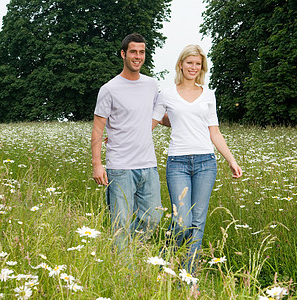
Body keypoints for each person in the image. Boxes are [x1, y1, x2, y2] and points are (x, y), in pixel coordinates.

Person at [152, 44, 243, 274]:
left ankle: (188, 276)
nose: (193, 67)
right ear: (181, 64)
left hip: (206, 163)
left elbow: (214, 131)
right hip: (177, 163)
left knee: (197, 222)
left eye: (198, 64)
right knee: (182, 220)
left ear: (202, 67)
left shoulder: (209, 94)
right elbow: (150, 123)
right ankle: (164, 263)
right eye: (189, 62)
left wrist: (231, 160)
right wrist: (118, 135)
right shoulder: (167, 93)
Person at [92, 33, 163, 251]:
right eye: (133, 52)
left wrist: (142, 128)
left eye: (141, 52)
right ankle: (123, 270)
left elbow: (159, 110)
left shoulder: (152, 85)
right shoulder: (110, 89)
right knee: (120, 224)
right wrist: (97, 164)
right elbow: (98, 128)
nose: (137, 56)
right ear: (123, 54)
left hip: (148, 166)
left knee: (153, 218)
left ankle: (129, 250)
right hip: (120, 167)